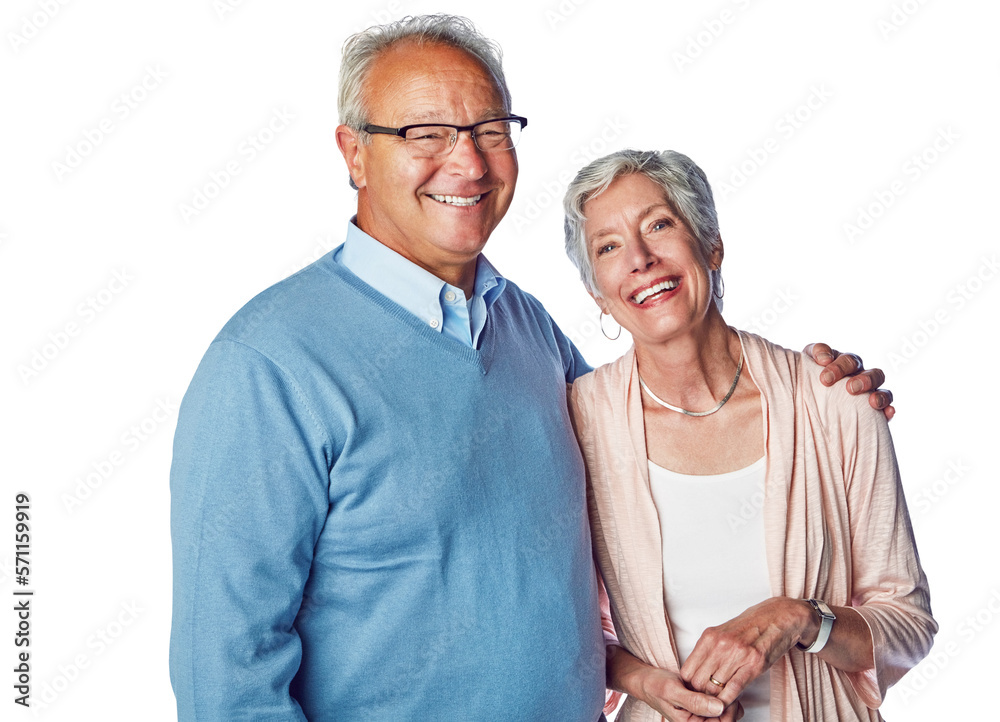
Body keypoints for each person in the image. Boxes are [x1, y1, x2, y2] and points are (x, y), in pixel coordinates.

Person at [169, 15, 892, 720]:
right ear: (353, 152)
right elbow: (227, 680)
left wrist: (818, 390)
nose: (469, 162)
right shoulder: (266, 365)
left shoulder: (528, 331)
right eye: (426, 133)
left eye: (489, 129)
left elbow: (649, 444)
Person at [564, 149, 936, 721]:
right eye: (608, 246)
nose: (639, 258)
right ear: (598, 294)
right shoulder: (577, 423)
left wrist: (798, 619)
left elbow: (908, 627)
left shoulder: (834, 402)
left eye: (659, 225)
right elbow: (567, 630)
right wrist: (648, 684)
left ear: (712, 246)